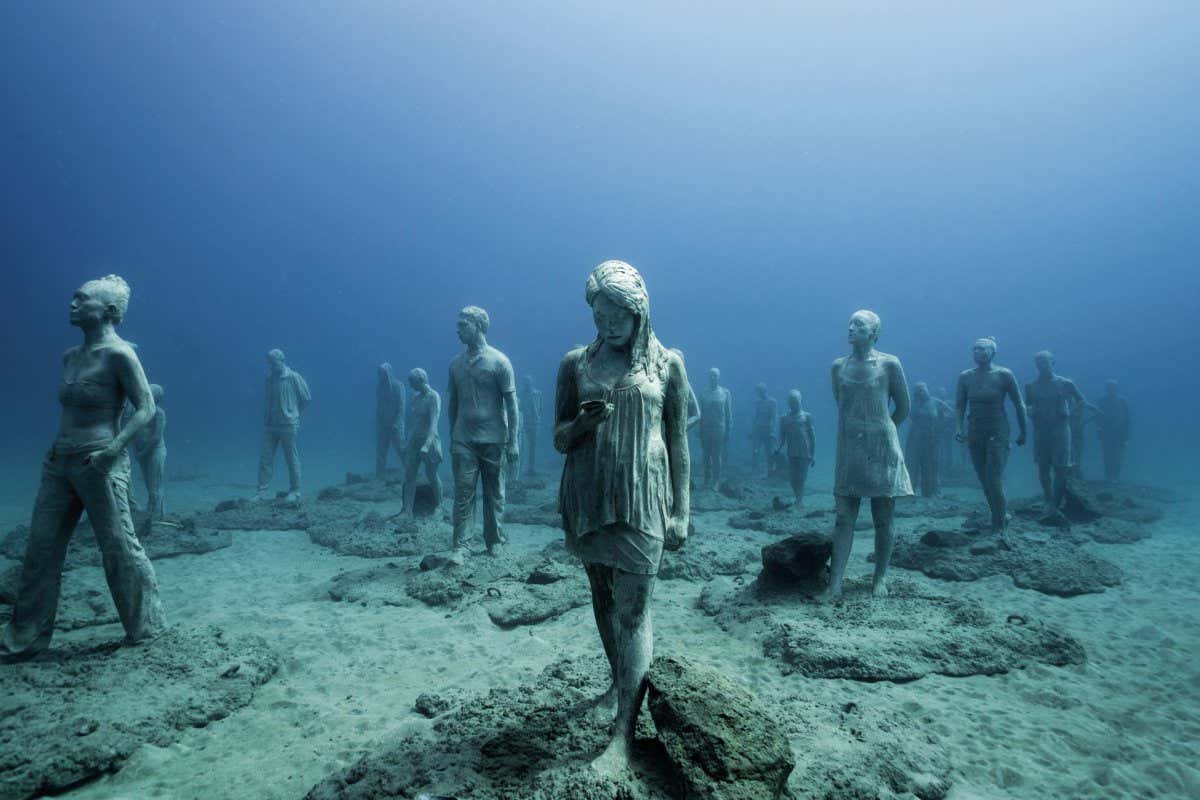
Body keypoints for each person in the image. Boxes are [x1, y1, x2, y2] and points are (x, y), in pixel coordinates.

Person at [554, 260, 689, 775]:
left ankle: (623, 736)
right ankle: (620, 684)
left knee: (635, 612)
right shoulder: (575, 364)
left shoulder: (667, 364)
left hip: (643, 501)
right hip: (587, 499)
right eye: (598, 311)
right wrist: (582, 423)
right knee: (602, 597)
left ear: (639, 309)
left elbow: (678, 440)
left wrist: (682, 511)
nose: (606, 322)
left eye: (616, 312)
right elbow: (560, 438)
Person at [2, 275, 166, 660]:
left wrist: (113, 451)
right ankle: (23, 638)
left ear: (109, 311)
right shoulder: (70, 356)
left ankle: (146, 629)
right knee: (41, 548)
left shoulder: (120, 354)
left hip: (101, 462)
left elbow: (146, 408)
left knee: (119, 546)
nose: (73, 304)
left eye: (82, 299)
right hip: (60, 461)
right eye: (74, 297)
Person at [821, 310, 912, 601]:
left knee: (883, 517)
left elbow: (903, 407)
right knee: (843, 517)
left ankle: (879, 578)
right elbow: (842, 404)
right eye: (849, 323)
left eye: (858, 325)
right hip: (849, 449)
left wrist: (882, 434)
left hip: (882, 448)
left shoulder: (890, 364)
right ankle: (835, 584)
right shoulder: (838, 367)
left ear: (874, 332)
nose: (850, 328)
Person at [447, 306, 519, 561]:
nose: (457, 330)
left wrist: (513, 441)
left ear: (478, 326)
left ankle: (494, 541)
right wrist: (451, 435)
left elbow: (511, 403)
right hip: (463, 439)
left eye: (463, 325)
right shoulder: (455, 365)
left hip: (494, 438)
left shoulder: (499, 361)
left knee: (494, 493)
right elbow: (453, 403)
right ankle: (461, 545)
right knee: (463, 492)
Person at [954, 337, 1027, 532]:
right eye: (975, 349)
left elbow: (1019, 403)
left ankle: (998, 525)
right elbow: (960, 405)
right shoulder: (965, 377)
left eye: (983, 349)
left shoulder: (1004, 375)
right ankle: (1000, 514)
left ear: (993, 352)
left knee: (993, 477)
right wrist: (959, 428)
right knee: (983, 479)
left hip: (997, 430)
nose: (978, 352)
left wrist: (1023, 431)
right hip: (975, 431)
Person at [1025, 351, 1089, 510]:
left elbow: (1081, 400)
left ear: (1053, 362)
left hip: (1060, 430)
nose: (1041, 365)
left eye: (1045, 361)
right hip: (1041, 431)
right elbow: (1028, 404)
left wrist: (1072, 413)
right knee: (1043, 466)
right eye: (1038, 362)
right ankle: (1048, 499)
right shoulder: (1031, 386)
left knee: (1061, 467)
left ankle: (1056, 502)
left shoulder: (1065, 383)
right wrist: (1030, 412)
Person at [254, 349, 311, 503]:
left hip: (288, 425)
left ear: (281, 360)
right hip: (271, 424)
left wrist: (293, 414)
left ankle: (295, 490)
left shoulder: (293, 377)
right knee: (265, 459)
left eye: (273, 362)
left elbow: (306, 398)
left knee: (291, 458)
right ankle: (262, 492)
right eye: (269, 363)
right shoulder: (270, 379)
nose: (271, 366)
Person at [402, 368, 443, 518]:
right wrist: (407, 443)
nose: (410, 384)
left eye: (412, 381)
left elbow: (434, 423)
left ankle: (439, 506)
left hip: (429, 442)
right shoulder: (415, 398)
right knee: (409, 475)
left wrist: (427, 444)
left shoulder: (433, 397)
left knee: (431, 474)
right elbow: (414, 424)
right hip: (415, 442)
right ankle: (407, 510)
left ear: (420, 380)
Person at [905, 382, 948, 498]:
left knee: (930, 465)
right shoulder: (913, 405)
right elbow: (907, 417)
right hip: (915, 439)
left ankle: (930, 492)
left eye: (923, 389)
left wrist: (939, 430)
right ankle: (910, 491)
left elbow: (949, 416)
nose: (921, 392)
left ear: (927, 390)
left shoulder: (937, 403)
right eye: (918, 390)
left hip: (931, 439)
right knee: (912, 465)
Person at [130, 383, 167, 516]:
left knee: (155, 485)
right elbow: (133, 433)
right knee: (149, 484)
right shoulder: (138, 411)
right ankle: (152, 512)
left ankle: (158, 514)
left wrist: (142, 452)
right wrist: (137, 451)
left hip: (155, 452)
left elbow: (156, 437)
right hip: (143, 453)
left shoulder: (159, 413)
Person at [774, 390, 815, 504]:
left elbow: (812, 437)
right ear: (788, 403)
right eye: (791, 401)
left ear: (800, 401)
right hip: (791, 452)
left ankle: (799, 500)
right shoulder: (784, 418)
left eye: (795, 401)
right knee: (792, 478)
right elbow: (782, 437)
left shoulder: (807, 416)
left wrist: (813, 454)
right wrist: (778, 448)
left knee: (801, 478)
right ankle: (798, 497)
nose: (793, 404)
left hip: (804, 452)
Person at [698, 367, 732, 488]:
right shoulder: (703, 393)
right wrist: (699, 430)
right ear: (708, 377)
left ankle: (716, 481)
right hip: (706, 428)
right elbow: (699, 414)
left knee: (717, 455)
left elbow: (728, 413)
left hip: (719, 428)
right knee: (706, 455)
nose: (713, 377)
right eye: (711, 375)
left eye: (715, 375)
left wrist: (728, 430)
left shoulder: (725, 393)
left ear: (719, 377)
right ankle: (707, 479)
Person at [1096, 379, 1132, 483]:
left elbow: (1127, 419)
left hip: (1119, 433)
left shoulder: (1122, 401)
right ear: (1107, 389)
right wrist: (1099, 429)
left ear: (1116, 388)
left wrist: (1127, 436)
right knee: (1106, 455)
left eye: (1113, 387)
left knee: (1118, 455)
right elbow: (1098, 417)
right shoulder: (1101, 401)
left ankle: (1115, 476)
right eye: (1109, 387)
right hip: (1106, 432)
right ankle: (1108, 476)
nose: (1111, 389)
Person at [375, 363, 406, 477]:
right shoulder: (380, 388)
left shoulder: (398, 386)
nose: (380, 375)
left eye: (382, 373)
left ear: (388, 373)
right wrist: (379, 420)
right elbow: (379, 406)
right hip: (383, 425)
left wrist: (397, 423)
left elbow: (402, 406)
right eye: (379, 373)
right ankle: (379, 474)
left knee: (400, 448)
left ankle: (409, 470)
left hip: (395, 425)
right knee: (381, 450)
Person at [518, 374, 543, 477]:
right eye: (525, 382)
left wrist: (538, 418)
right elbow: (519, 408)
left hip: (534, 422)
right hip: (524, 422)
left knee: (532, 446)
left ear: (532, 382)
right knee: (522, 446)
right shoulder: (521, 394)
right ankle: (520, 468)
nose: (527, 383)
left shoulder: (538, 393)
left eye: (528, 381)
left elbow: (540, 407)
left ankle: (531, 468)